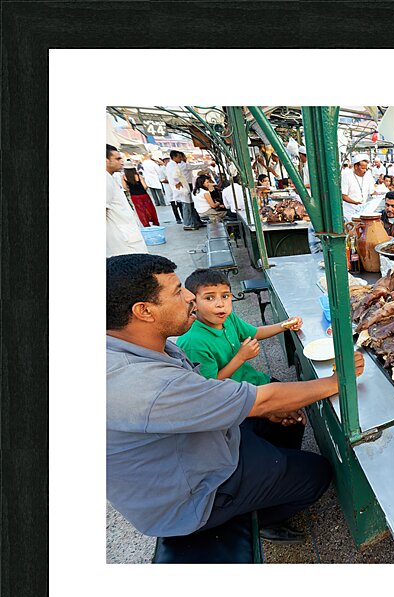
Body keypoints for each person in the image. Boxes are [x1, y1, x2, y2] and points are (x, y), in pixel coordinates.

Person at [107, 254, 366, 544]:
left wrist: (265, 410)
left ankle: (274, 469)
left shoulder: (136, 345)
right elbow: (261, 399)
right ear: (144, 311)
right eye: (178, 291)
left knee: (288, 422)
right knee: (317, 473)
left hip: (204, 444)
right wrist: (336, 381)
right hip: (194, 493)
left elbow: (227, 398)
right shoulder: (141, 383)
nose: (190, 297)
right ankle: (253, 518)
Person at [177, 268, 303, 385]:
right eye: (209, 298)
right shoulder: (194, 343)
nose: (220, 304)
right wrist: (241, 357)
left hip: (253, 380)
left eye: (225, 296)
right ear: (193, 303)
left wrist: (285, 324)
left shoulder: (227, 318)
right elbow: (210, 386)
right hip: (234, 397)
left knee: (297, 397)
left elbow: (255, 333)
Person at [106, 145, 148, 256]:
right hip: (124, 240)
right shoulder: (105, 180)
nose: (122, 161)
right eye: (118, 159)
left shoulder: (110, 177)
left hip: (128, 236)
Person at [165, 150, 197, 228]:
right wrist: (179, 183)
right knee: (186, 207)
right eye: (179, 157)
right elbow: (175, 176)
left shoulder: (172, 165)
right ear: (174, 157)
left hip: (181, 187)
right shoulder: (173, 165)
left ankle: (191, 222)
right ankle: (187, 224)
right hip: (181, 188)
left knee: (187, 206)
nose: (181, 159)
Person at [341, 153, 376, 222]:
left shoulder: (368, 175)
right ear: (356, 166)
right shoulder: (347, 176)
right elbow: (343, 195)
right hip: (349, 211)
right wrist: (355, 202)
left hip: (363, 210)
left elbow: (372, 191)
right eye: (362, 168)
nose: (365, 170)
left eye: (366, 168)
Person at [123, 163, 159, 228]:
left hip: (134, 196)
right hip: (143, 195)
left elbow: (124, 187)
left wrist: (131, 190)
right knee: (150, 208)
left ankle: (146, 224)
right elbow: (145, 186)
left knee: (140, 211)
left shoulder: (124, 177)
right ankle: (154, 222)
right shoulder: (138, 175)